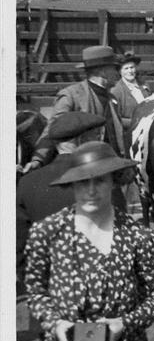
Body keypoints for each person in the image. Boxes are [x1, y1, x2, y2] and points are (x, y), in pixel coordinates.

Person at [24, 141, 154, 341]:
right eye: (83, 182)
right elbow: (36, 293)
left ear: (114, 181)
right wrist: (55, 324)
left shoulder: (140, 238)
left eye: (99, 180)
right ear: (72, 185)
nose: (91, 190)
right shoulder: (47, 232)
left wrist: (124, 323)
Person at [17, 112, 106, 281]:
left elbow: (19, 243)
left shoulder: (27, 183)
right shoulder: (102, 181)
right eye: (96, 137)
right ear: (82, 141)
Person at [24, 46, 125, 173]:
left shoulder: (112, 99)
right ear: (102, 71)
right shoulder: (71, 96)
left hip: (110, 168)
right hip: (82, 169)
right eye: (115, 68)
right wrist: (38, 160)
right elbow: (52, 130)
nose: (118, 73)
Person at [110, 52, 152, 135]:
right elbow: (116, 119)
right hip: (129, 133)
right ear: (120, 71)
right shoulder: (116, 91)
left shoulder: (144, 85)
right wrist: (137, 122)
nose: (130, 71)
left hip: (149, 130)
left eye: (132, 67)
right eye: (126, 68)